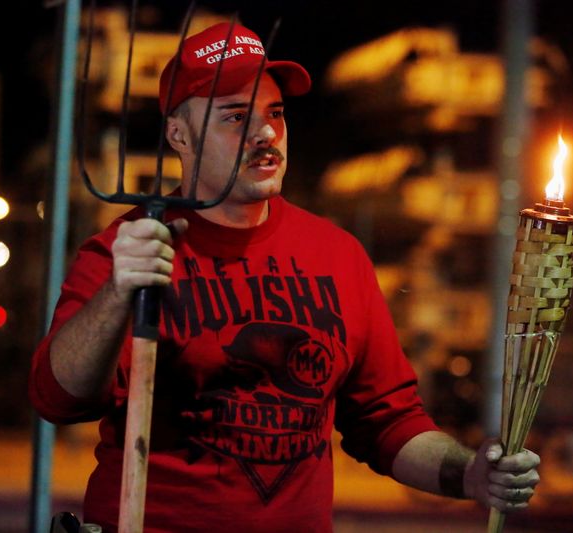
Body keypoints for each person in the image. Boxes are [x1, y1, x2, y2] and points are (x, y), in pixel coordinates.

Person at [29, 21, 540, 533]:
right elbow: (59, 398)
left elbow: (386, 422)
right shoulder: (132, 250)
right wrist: (118, 292)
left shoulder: (337, 256)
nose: (267, 133)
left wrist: (469, 475)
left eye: (275, 113)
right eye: (236, 117)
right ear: (178, 135)